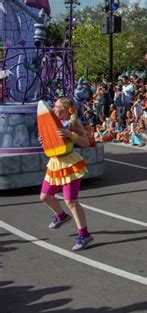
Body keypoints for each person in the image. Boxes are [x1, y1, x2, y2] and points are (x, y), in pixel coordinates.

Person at [39, 97, 93, 251]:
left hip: (69, 163)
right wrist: (44, 141)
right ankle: (62, 216)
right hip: (55, 163)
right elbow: (51, 145)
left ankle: (84, 235)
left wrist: (71, 135)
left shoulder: (73, 123)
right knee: (45, 197)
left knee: (71, 201)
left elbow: (86, 142)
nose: (54, 110)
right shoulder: (52, 123)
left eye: (58, 107)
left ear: (67, 110)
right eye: (54, 107)